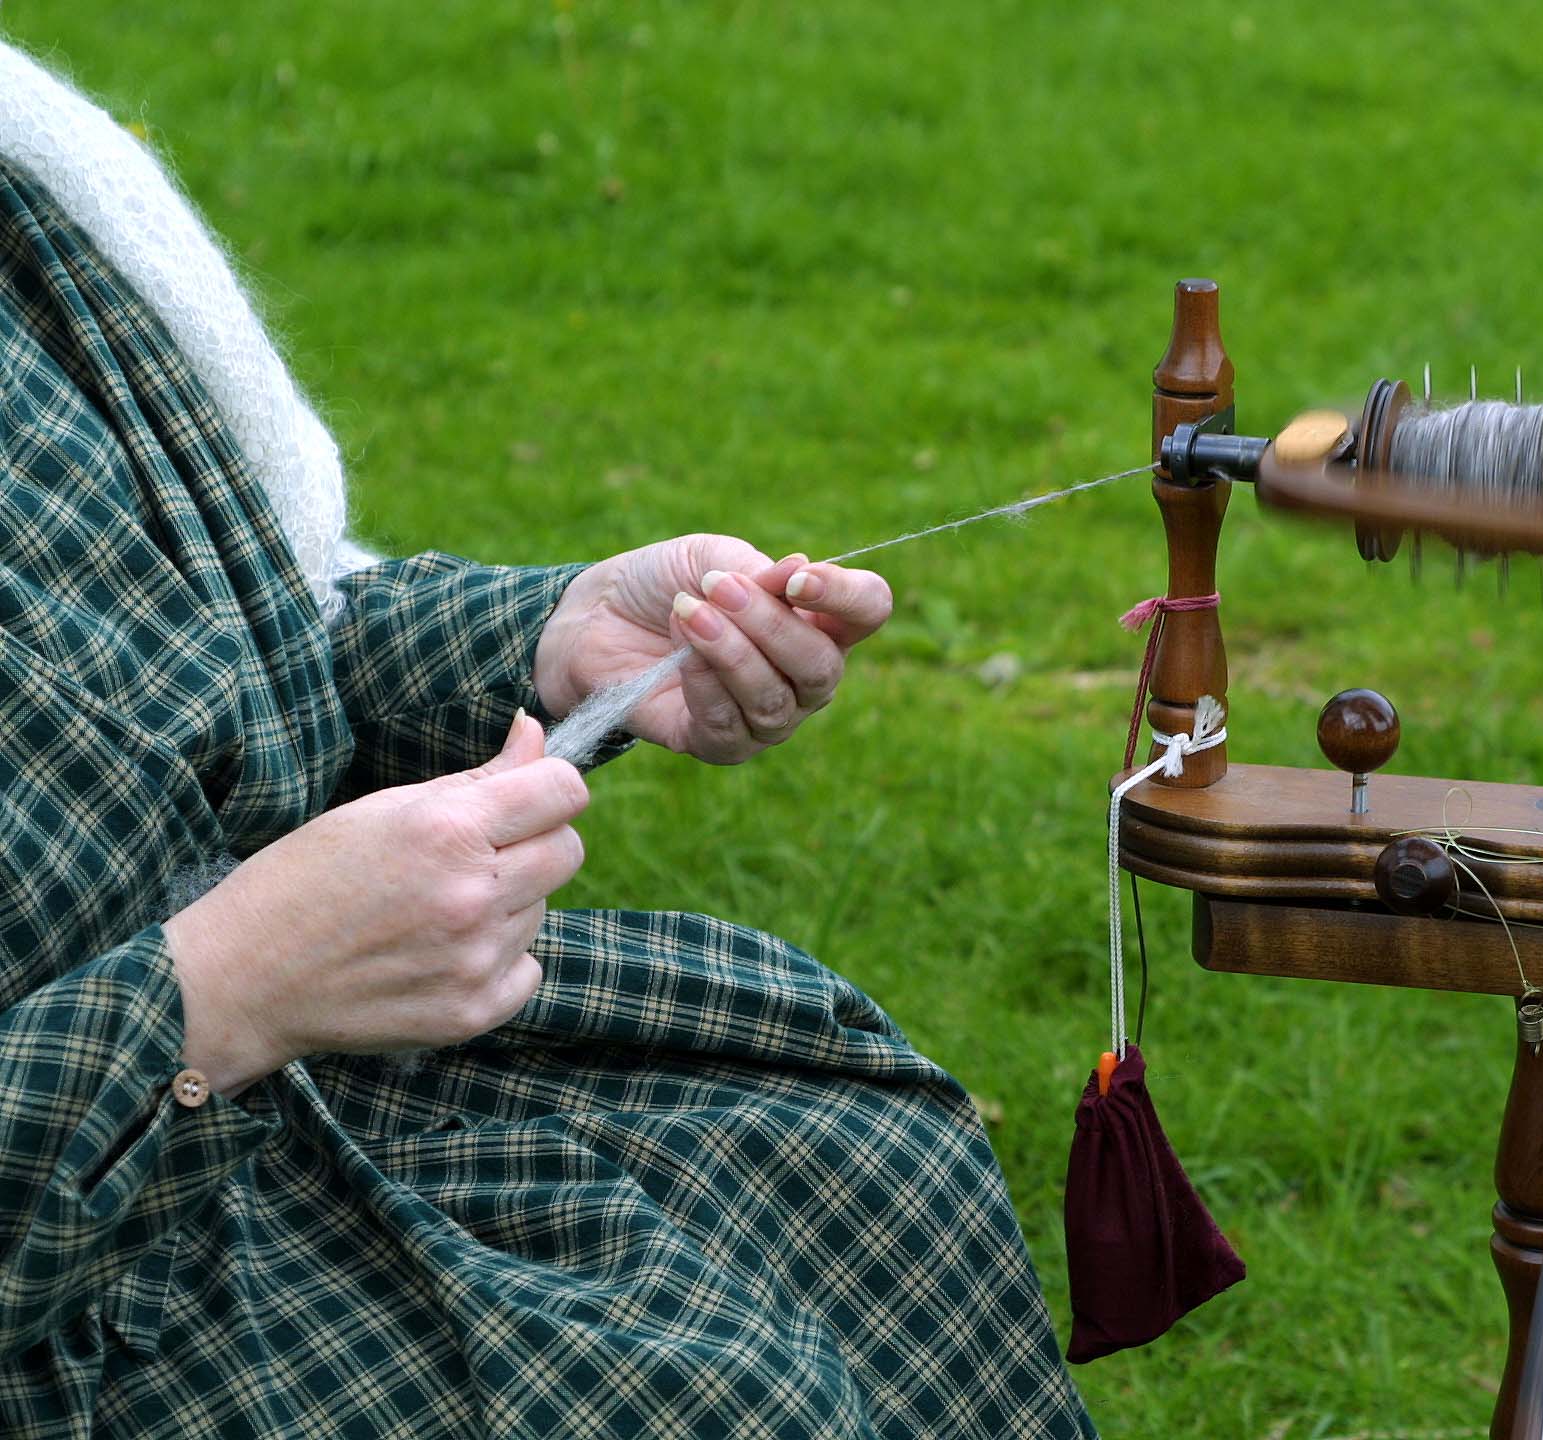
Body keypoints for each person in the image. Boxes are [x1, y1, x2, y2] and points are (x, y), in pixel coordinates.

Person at [0, 39, 1093, 1439]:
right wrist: (224, 989)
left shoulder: (36, 178)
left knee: (850, 1156)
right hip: (92, 1292)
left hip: (323, 1096)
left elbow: (264, 618)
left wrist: (552, 639)